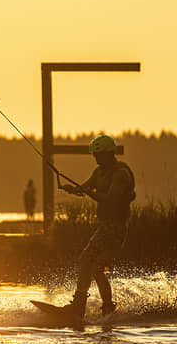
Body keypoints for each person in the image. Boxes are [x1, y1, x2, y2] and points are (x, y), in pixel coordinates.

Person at [58, 134, 136, 320]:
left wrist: (88, 192)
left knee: (91, 264)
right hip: (105, 227)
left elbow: (110, 200)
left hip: (115, 229)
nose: (95, 158)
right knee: (91, 265)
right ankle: (91, 306)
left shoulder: (120, 174)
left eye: (98, 155)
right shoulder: (99, 172)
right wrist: (72, 188)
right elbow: (85, 188)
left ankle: (92, 306)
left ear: (108, 154)